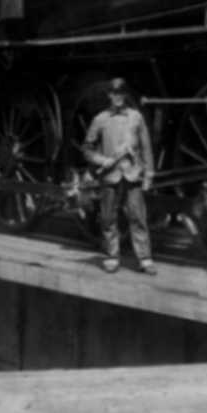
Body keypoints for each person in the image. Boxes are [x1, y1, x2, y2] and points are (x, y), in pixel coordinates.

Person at [81, 78, 157, 275]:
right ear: (109, 95)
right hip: (110, 176)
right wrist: (101, 160)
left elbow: (146, 149)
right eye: (114, 93)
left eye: (121, 93)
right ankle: (111, 257)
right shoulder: (100, 120)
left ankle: (145, 258)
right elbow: (87, 149)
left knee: (138, 218)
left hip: (132, 176)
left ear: (125, 95)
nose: (117, 97)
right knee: (108, 219)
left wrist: (148, 175)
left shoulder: (136, 118)